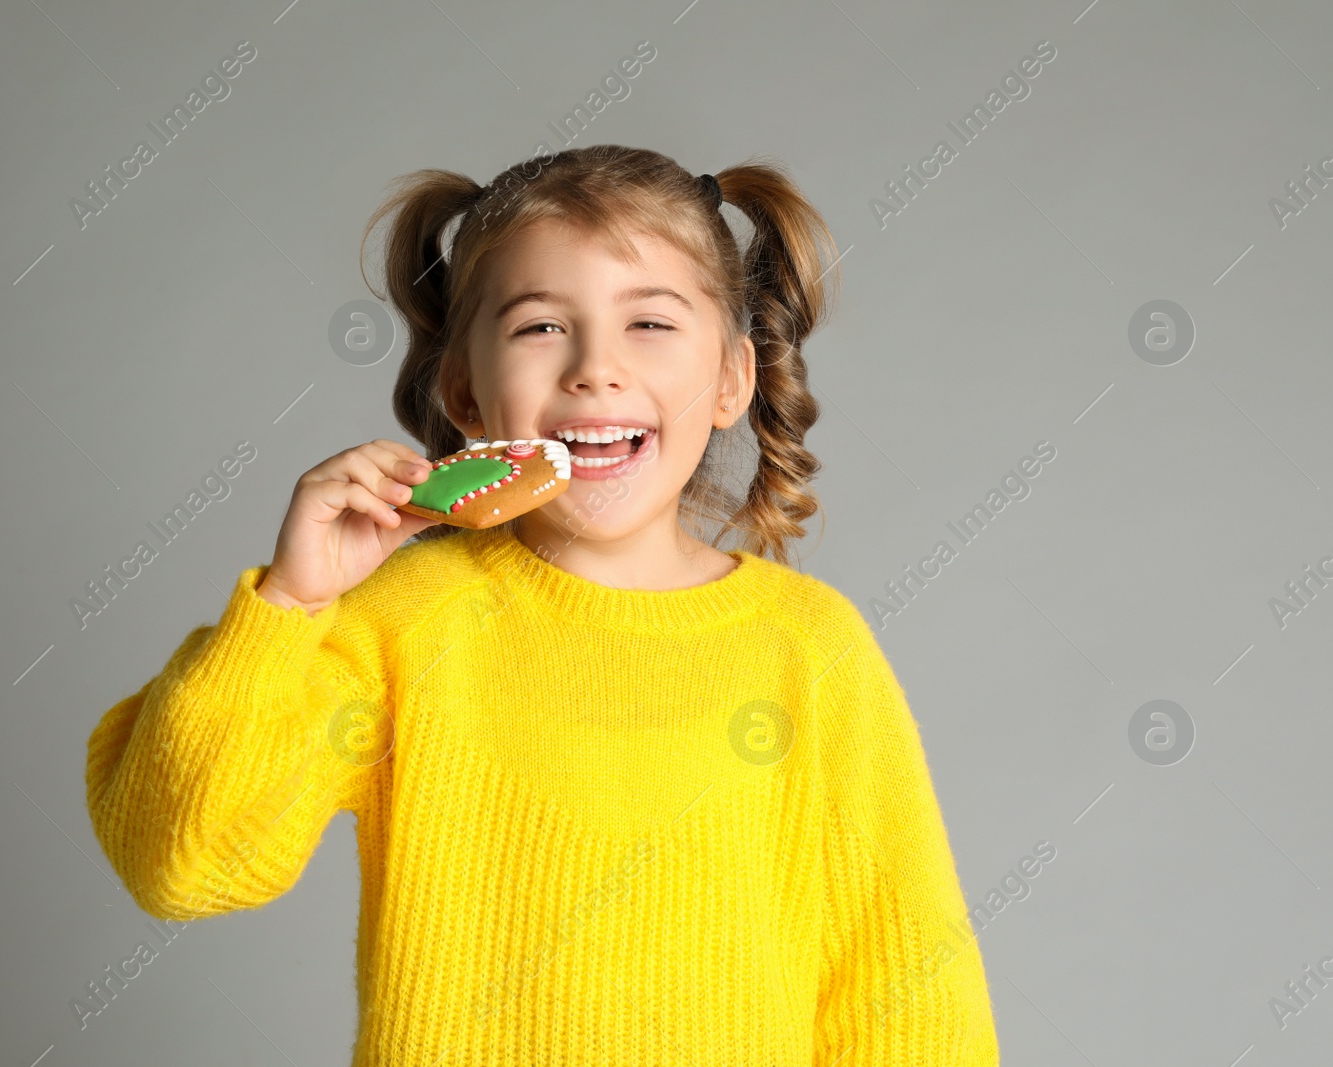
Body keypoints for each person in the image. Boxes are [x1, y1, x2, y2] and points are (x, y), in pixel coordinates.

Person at [85, 144, 1000, 1065]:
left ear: (731, 378)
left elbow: (904, 989)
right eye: (539, 329)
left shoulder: (809, 647)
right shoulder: (407, 619)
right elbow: (181, 862)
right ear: (466, 395)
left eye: (649, 323)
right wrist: (290, 602)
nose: (594, 370)